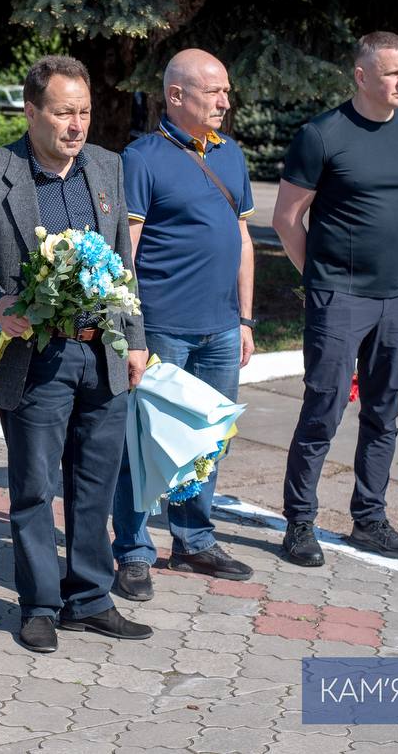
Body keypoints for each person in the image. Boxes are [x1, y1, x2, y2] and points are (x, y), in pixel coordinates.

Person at [0, 55, 152, 654]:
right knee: (35, 488)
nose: (76, 124)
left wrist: (136, 338)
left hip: (102, 352)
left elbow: (124, 261)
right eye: (64, 112)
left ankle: (90, 598)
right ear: (31, 111)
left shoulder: (107, 167)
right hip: (37, 359)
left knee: (94, 485)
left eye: (83, 112)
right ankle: (39, 605)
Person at [272, 31, 398, 567]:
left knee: (383, 413)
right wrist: (322, 279)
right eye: (392, 73)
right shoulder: (321, 135)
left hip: (397, 297)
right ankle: (299, 522)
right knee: (323, 410)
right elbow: (287, 219)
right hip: (339, 299)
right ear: (362, 76)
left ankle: (369, 519)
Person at [110, 49, 257, 603]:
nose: (225, 101)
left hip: (222, 328)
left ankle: (194, 540)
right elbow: (127, 250)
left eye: (226, 91)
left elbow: (243, 240)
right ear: (176, 96)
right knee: (144, 447)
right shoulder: (141, 158)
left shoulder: (230, 154)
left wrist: (245, 318)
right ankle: (132, 551)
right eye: (213, 91)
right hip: (163, 330)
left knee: (206, 441)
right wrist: (132, 332)